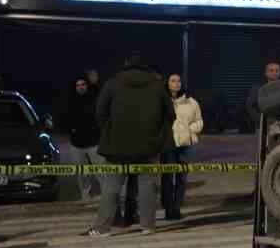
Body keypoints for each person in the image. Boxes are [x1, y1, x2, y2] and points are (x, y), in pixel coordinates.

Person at [86, 54, 174, 237]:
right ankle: (148, 226)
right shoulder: (158, 85)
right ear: (145, 67)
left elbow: (100, 112)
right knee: (147, 186)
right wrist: (157, 135)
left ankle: (103, 228)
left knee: (111, 187)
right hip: (149, 146)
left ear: (126, 65)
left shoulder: (113, 83)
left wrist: (109, 131)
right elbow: (170, 115)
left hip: (117, 146)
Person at [162, 73, 203, 221]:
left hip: (186, 144)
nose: (177, 83)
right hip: (168, 144)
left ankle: (177, 208)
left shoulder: (191, 102)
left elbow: (199, 121)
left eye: (179, 80)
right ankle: (168, 209)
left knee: (182, 179)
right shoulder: (162, 100)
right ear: (167, 83)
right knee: (167, 178)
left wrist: (190, 130)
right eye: (173, 80)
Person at [59, 74, 103, 200]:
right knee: (82, 174)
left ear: (87, 85)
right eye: (78, 85)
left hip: (94, 143)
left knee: (101, 171)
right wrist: (70, 130)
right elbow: (63, 118)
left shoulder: (94, 98)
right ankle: (86, 196)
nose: (81, 87)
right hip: (77, 144)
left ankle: (106, 196)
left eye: (83, 84)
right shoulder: (70, 101)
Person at [245, 60, 280, 129]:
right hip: (263, 127)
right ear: (266, 73)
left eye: (277, 71)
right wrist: (261, 121)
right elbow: (250, 107)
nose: (274, 73)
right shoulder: (258, 89)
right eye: (271, 70)